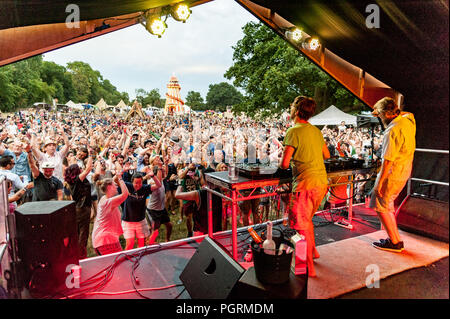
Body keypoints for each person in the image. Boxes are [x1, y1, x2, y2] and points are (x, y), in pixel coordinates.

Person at [280, 96, 330, 277]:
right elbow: (327, 154)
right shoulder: (316, 131)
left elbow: (284, 164)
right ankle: (314, 252)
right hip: (321, 182)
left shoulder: (293, 131)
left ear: (296, 110)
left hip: (305, 183)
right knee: (307, 220)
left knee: (301, 226)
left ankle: (309, 267)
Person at [369, 97, 416, 252]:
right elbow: (407, 113)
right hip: (404, 169)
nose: (379, 117)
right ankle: (394, 239)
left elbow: (387, 160)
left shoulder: (393, 129)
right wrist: (381, 110)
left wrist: (378, 184)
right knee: (387, 204)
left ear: (387, 114)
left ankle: (394, 242)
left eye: (380, 114)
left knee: (381, 205)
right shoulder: (408, 120)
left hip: (392, 172)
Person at [115, 170, 161, 251]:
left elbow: (158, 185)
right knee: (130, 244)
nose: (138, 185)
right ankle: (127, 260)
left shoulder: (145, 188)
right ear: (132, 182)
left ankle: (140, 259)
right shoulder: (127, 186)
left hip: (140, 220)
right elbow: (115, 181)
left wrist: (153, 176)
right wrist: (119, 174)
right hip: (128, 220)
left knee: (141, 244)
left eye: (140, 183)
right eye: (136, 183)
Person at [64, 151, 93, 259]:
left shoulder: (72, 182)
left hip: (77, 208)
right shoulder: (77, 180)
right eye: (79, 169)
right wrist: (90, 154)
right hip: (83, 208)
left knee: (77, 232)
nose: (81, 169)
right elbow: (89, 168)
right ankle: (81, 256)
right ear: (76, 172)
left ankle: (74, 254)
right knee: (83, 233)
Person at [92, 174, 129, 255]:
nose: (116, 186)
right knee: (119, 264)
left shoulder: (105, 198)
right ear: (109, 187)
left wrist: (119, 173)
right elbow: (125, 194)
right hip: (106, 240)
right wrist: (120, 178)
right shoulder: (108, 202)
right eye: (114, 185)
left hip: (101, 240)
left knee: (115, 264)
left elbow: (109, 181)